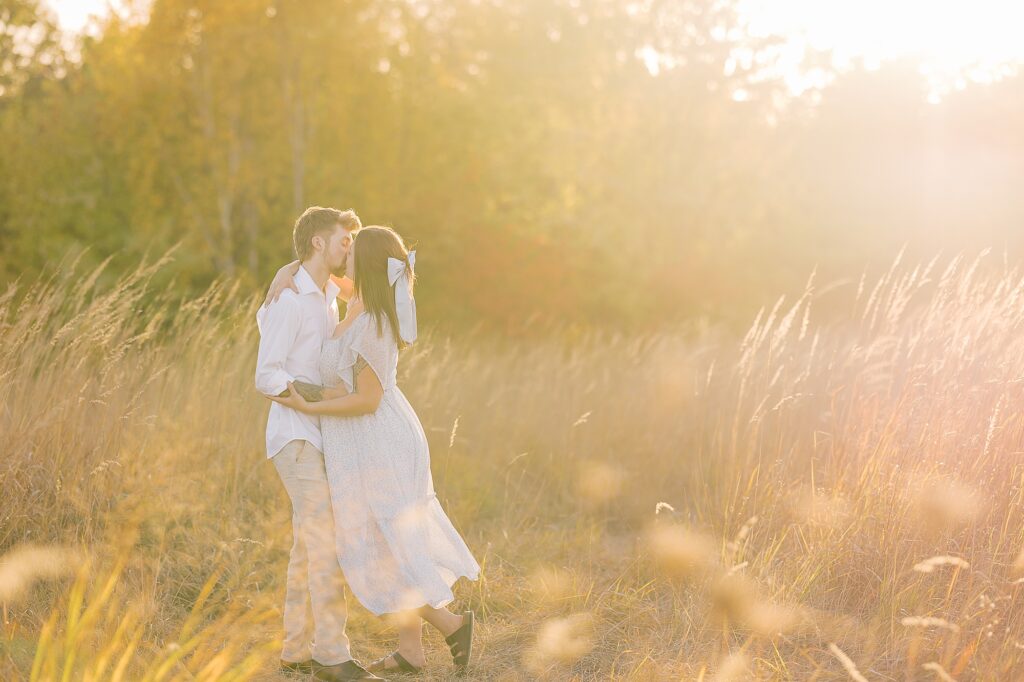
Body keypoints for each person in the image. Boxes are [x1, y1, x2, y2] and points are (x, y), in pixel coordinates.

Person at [270, 226, 480, 675]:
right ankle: (412, 652)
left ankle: (452, 623)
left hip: (379, 439)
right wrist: (282, 273)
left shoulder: (373, 321)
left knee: (386, 543)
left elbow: (368, 399)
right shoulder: (358, 301)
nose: (343, 254)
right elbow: (311, 267)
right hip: (357, 440)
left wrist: (311, 403)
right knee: (392, 537)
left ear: (362, 262)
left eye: (351, 249)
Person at [255, 206, 385, 681]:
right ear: (317, 243)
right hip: (293, 436)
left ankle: (294, 649)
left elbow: (382, 281)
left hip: (318, 435)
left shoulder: (326, 293)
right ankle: (332, 655)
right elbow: (266, 375)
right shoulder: (290, 301)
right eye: (344, 240)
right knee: (325, 542)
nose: (349, 247)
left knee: (305, 547)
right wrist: (311, 400)